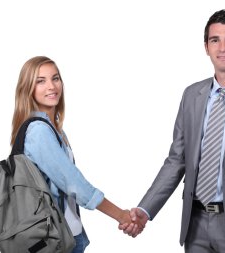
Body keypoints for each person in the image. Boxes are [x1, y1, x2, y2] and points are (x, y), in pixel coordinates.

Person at [120, 9, 225, 253]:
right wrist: (145, 210)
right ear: (206, 47)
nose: (222, 47)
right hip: (196, 224)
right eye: (215, 40)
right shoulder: (192, 95)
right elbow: (176, 161)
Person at [11, 56, 137, 253]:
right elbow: (73, 184)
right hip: (54, 241)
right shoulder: (38, 131)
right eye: (40, 81)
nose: (51, 86)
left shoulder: (55, 129)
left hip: (67, 235)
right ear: (28, 88)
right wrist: (121, 215)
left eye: (55, 78)